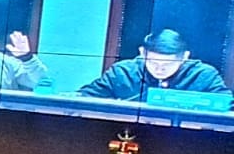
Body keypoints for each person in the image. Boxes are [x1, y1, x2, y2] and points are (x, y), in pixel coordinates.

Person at [78, 29, 231, 102]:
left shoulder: (204, 75)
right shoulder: (122, 72)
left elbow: (228, 109)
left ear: (185, 57)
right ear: (142, 53)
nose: (159, 69)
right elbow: (85, 98)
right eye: (152, 62)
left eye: (168, 64)